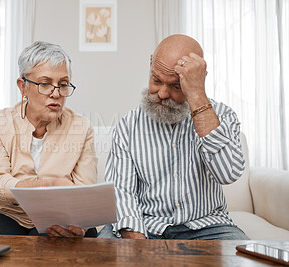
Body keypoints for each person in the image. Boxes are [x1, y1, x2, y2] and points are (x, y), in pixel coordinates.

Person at [98, 34, 249, 240]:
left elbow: (227, 174)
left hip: (208, 226)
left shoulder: (224, 116)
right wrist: (138, 248)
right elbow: (122, 192)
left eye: (176, 86)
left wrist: (197, 96)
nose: (161, 93)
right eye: (156, 80)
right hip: (145, 224)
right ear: (151, 64)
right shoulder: (128, 125)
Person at [0, 41, 97, 238]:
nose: (57, 93)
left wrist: (79, 223)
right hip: (5, 214)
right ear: (23, 86)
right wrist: (48, 185)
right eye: (45, 84)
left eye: (63, 84)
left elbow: (85, 191)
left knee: (85, 234)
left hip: (55, 217)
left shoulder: (82, 127)